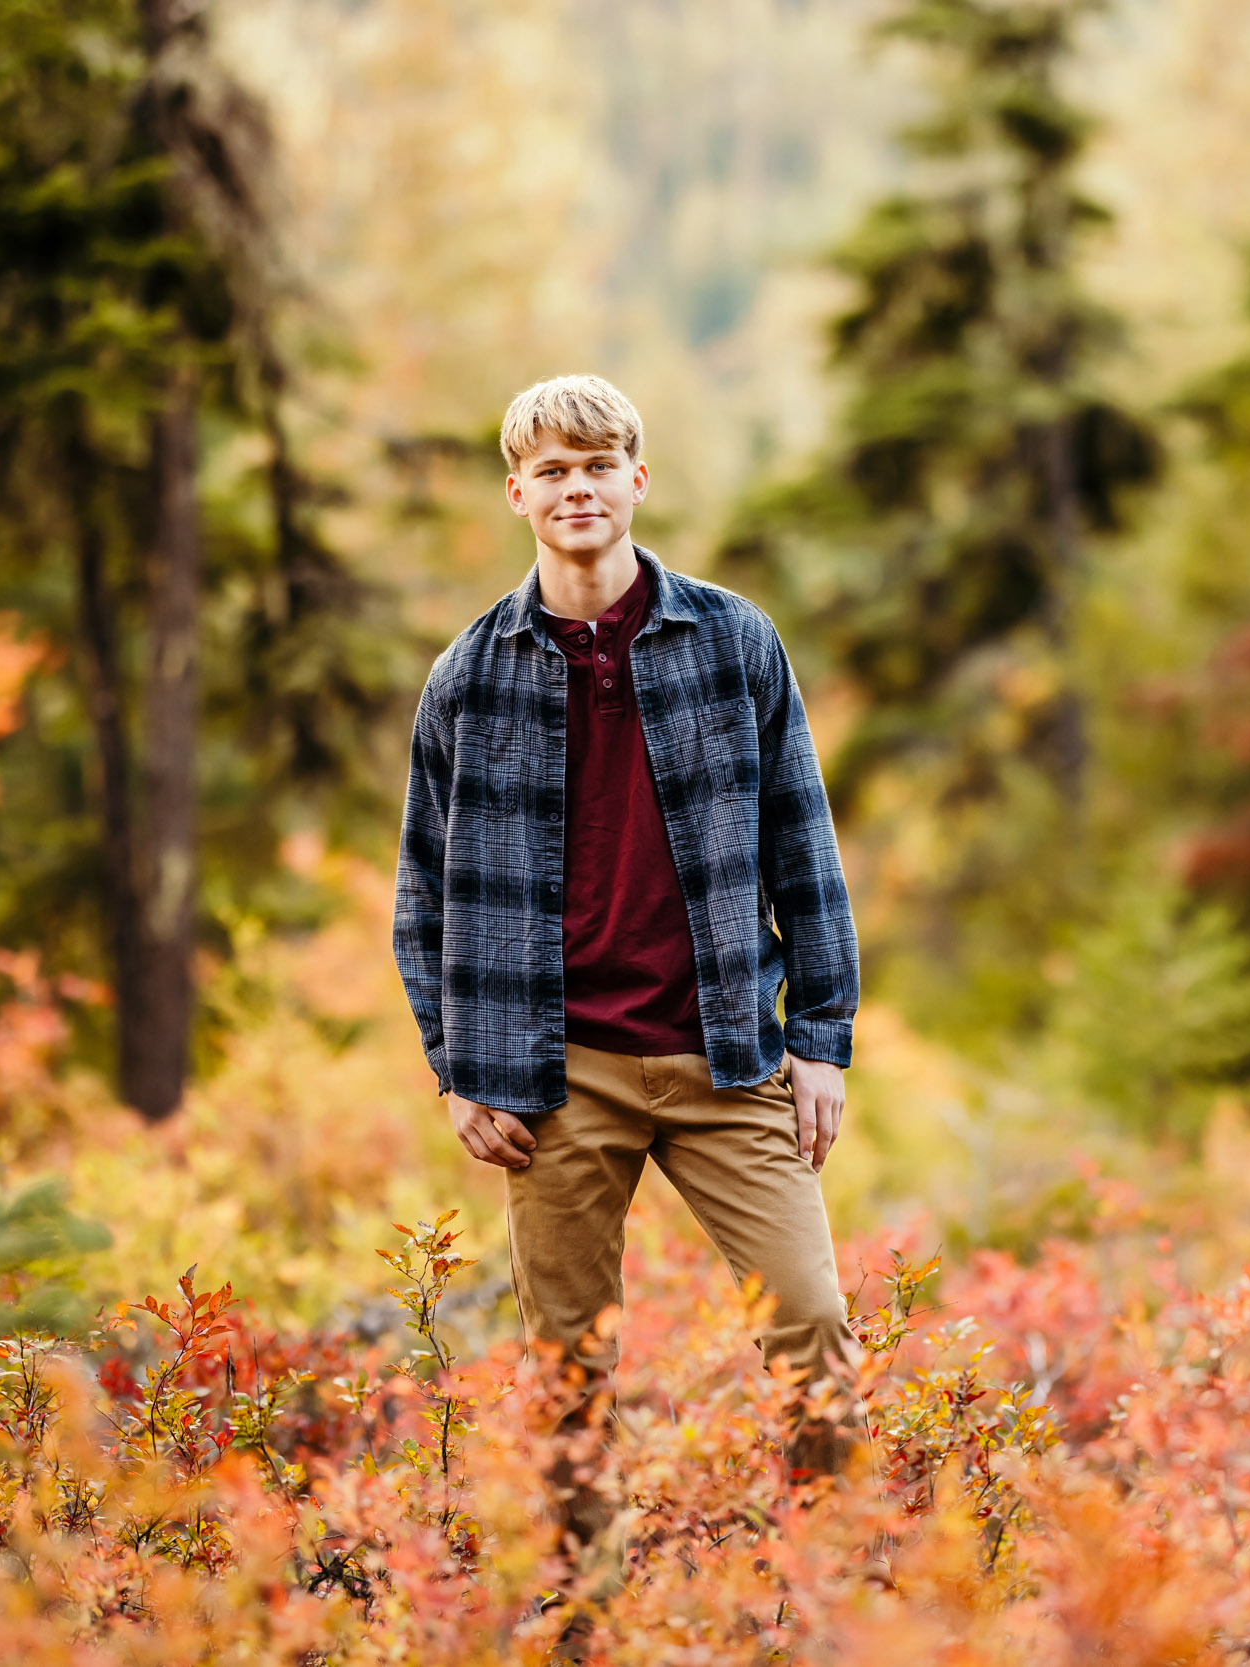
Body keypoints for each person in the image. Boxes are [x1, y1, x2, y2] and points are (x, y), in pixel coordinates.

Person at [390, 373, 863, 1486]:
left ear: (637, 480)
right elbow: (422, 895)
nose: (577, 488)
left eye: (598, 465)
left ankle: (837, 1589)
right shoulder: (467, 677)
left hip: (729, 1054)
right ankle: (584, 1619)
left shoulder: (733, 641)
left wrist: (821, 1039)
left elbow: (805, 844)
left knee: (812, 1328)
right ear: (518, 492)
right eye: (552, 470)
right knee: (568, 1377)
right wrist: (458, 1071)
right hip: (557, 1078)